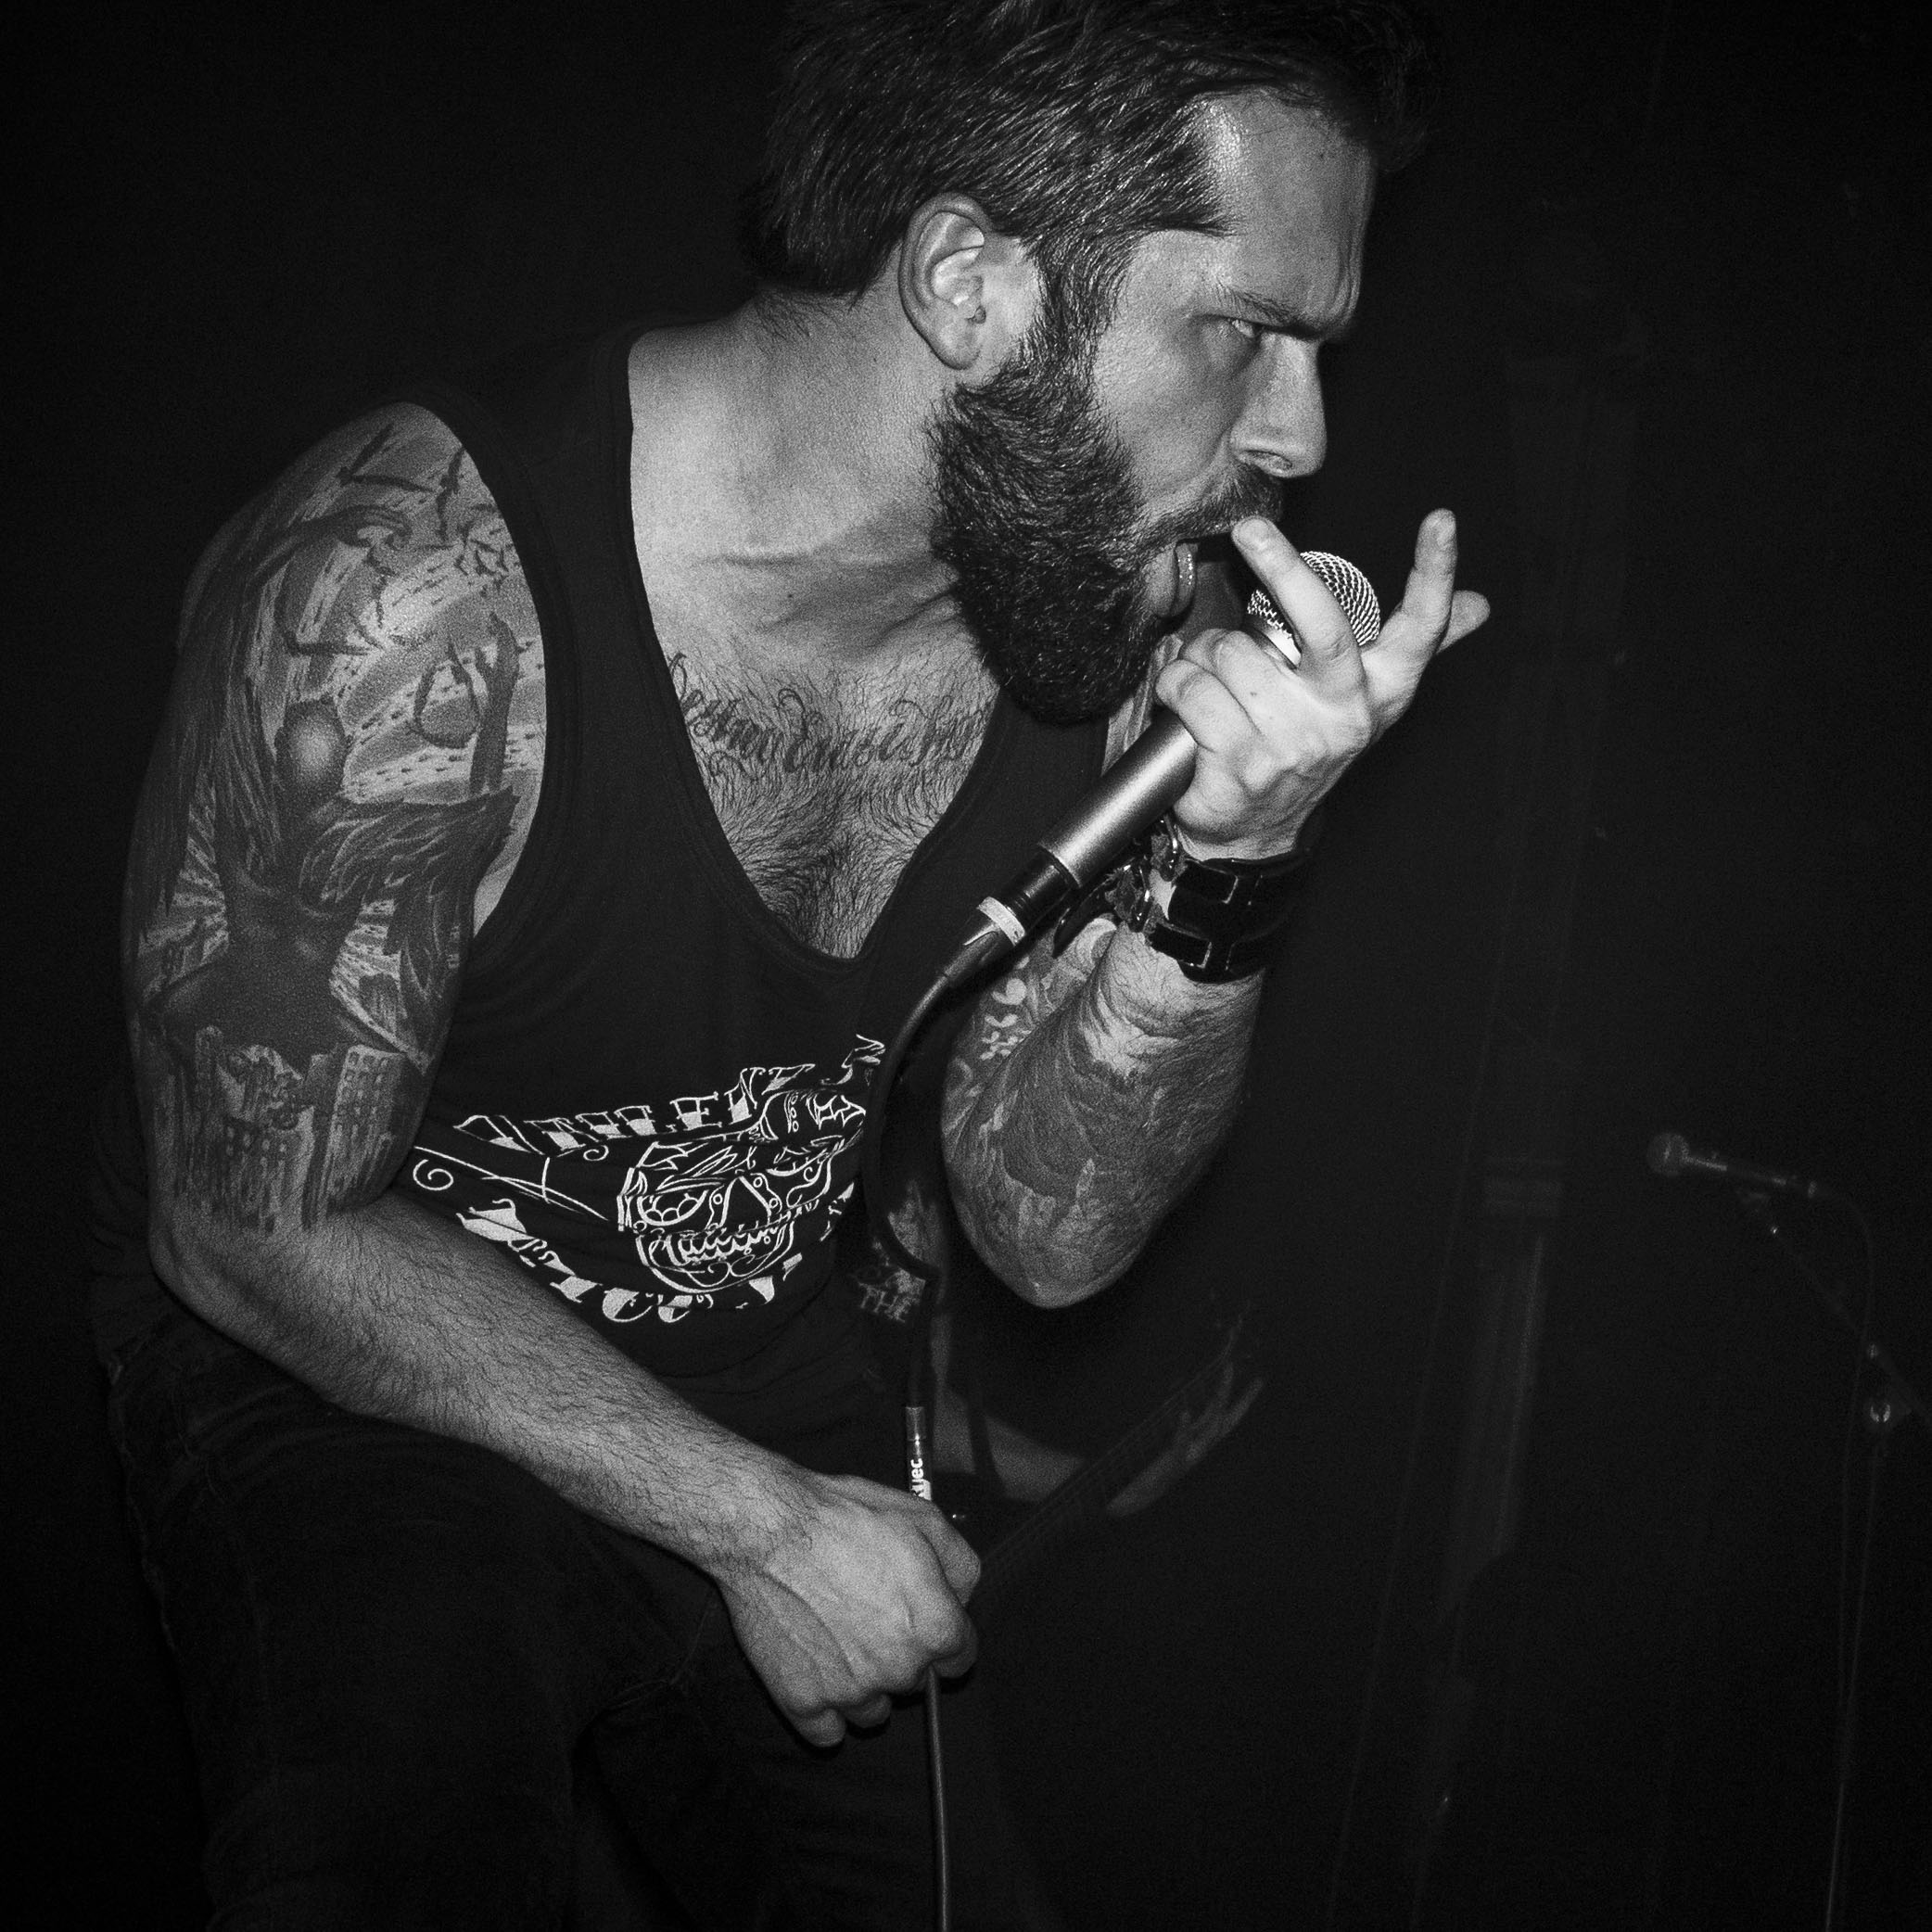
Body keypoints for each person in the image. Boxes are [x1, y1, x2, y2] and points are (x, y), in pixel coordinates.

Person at [92, 1, 1485, 1925]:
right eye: (1244, 332)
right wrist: (753, 1526)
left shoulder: (1091, 633)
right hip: (358, 1372)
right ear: (969, 280)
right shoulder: (407, 600)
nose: (1298, 438)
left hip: (761, 1370)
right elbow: (249, 1224)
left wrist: (1232, 862)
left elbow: (1048, 1235)